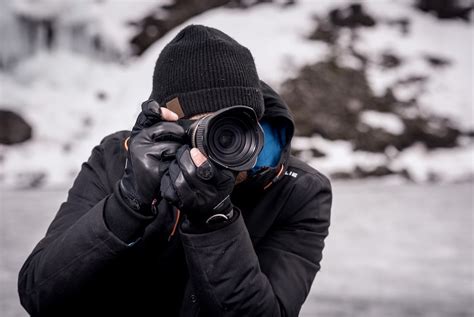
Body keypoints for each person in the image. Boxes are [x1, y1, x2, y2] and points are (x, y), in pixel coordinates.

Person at [18, 25, 332, 317]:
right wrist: (129, 201)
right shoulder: (118, 158)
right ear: (167, 123)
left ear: (257, 122)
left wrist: (214, 219)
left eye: (233, 125)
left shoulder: (298, 190)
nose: (219, 143)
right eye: (201, 127)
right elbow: (40, 295)